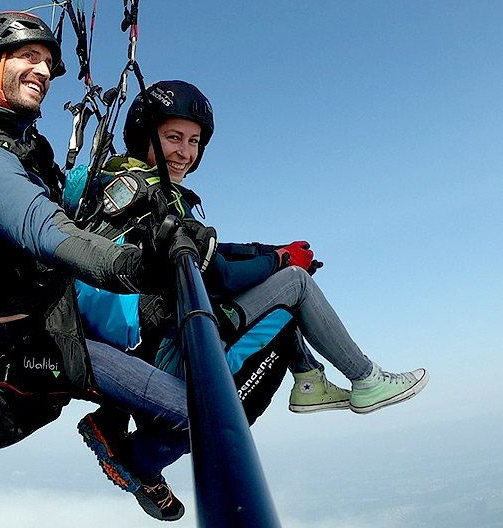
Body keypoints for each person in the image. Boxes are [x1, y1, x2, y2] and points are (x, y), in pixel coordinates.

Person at [0, 12, 195, 521]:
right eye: (28, 57)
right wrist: (148, 264)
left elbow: (65, 210)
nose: (43, 71)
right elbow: (48, 233)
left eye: (47, 62)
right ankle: (126, 455)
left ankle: (116, 422)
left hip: (34, 330)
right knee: (190, 413)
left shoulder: (27, 151)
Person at [70, 80, 429, 497]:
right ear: (143, 133)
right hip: (158, 350)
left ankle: (309, 378)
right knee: (291, 289)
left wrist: (269, 251)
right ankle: (365, 380)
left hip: (127, 345)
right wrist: (281, 261)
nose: (185, 153)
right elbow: (214, 271)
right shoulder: (151, 199)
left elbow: (207, 250)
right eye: (172, 137)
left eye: (194, 141)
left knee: (277, 295)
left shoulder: (118, 185)